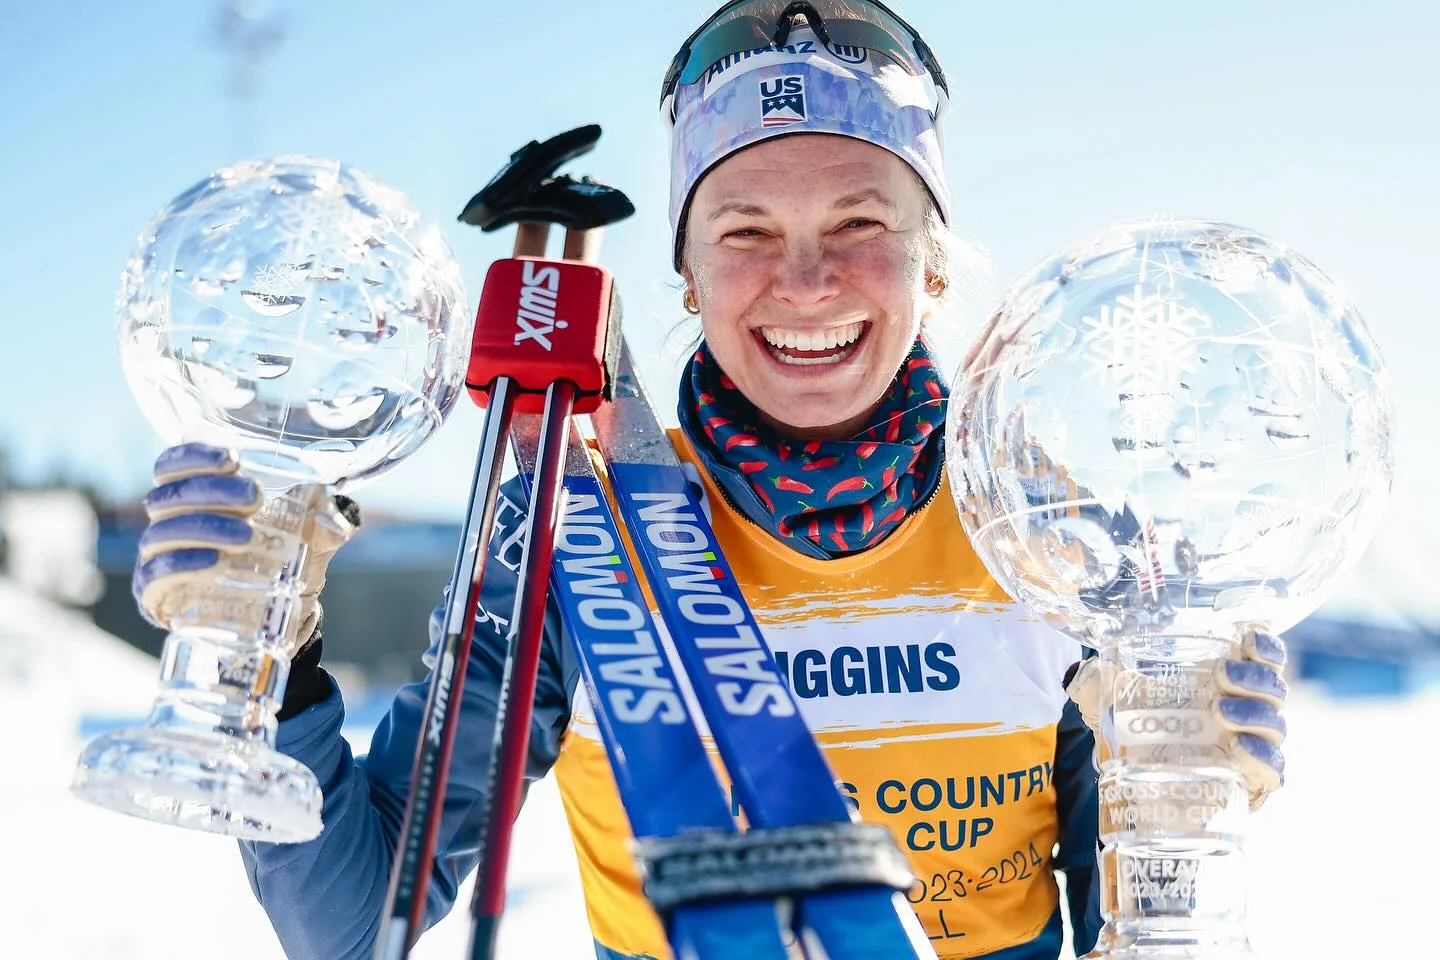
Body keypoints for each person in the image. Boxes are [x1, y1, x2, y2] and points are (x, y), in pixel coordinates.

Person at [132, 3, 1288, 959]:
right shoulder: (573, 539)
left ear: (931, 260)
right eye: (742, 230)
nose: (804, 279)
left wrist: (1187, 819)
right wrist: (262, 669)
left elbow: (1126, 929)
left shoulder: (1049, 539)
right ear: (685, 271)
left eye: (859, 218)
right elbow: (353, 918)